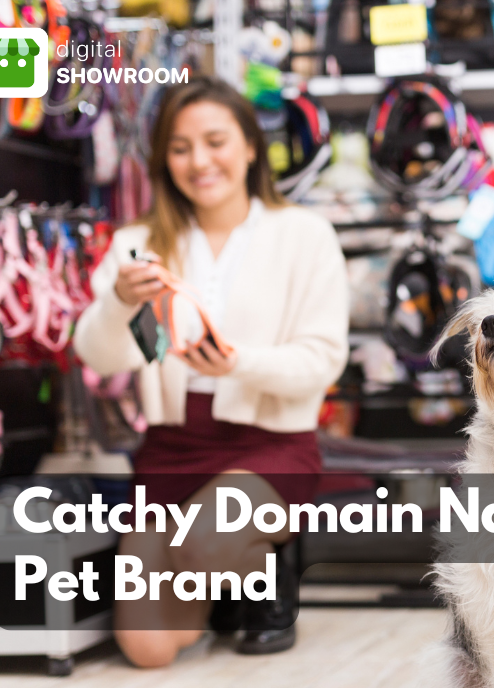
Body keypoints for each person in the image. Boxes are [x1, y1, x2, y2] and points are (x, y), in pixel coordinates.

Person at [74, 76, 349, 668]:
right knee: (147, 650)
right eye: (180, 147)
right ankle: (227, 589)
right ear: (162, 159)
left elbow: (323, 361)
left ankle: (265, 571)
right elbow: (100, 357)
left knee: (203, 546)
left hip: (271, 445)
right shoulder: (136, 244)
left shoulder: (304, 235)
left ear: (251, 147)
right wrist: (119, 301)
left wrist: (238, 364)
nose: (199, 161)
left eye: (216, 141)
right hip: (172, 449)